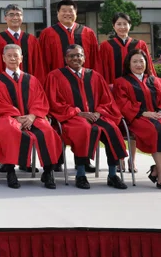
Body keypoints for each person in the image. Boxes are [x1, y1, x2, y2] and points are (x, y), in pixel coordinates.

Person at [46, 45, 129, 190]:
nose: (76, 58)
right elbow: (54, 102)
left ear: (84, 58)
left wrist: (98, 112)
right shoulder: (55, 76)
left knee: (112, 129)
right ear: (66, 59)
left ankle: (112, 174)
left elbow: (107, 100)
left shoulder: (95, 76)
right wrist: (77, 112)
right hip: (71, 118)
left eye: (79, 55)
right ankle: (81, 174)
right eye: (71, 56)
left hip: (96, 115)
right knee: (83, 129)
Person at [0, 44, 61, 190]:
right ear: (3, 58)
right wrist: (16, 116)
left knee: (47, 131)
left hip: (33, 117)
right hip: (9, 117)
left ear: (21, 58)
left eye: (16, 55)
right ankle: (10, 171)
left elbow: (40, 100)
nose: (13, 58)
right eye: (9, 56)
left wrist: (32, 116)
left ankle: (48, 171)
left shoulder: (32, 80)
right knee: (9, 130)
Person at [113, 49, 161, 189]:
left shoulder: (157, 81)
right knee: (156, 131)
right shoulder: (121, 82)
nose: (138, 64)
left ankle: (157, 169)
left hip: (158, 117)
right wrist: (143, 113)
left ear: (146, 63)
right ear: (128, 64)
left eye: (141, 61)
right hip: (136, 119)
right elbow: (122, 104)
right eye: (134, 61)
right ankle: (160, 172)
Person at [39, 0, 99, 75]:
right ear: (58, 13)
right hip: (58, 81)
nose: (67, 13)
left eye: (70, 11)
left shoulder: (88, 33)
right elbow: (42, 62)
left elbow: (95, 60)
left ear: (76, 13)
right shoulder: (47, 34)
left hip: (85, 81)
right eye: (64, 11)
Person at [97, 11, 155, 82]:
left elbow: (148, 67)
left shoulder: (140, 44)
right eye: (119, 24)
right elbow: (101, 69)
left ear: (130, 26)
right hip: (114, 87)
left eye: (125, 24)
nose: (122, 27)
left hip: (137, 86)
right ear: (113, 26)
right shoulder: (105, 46)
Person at [0, 4, 44, 78]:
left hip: (28, 83)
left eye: (18, 15)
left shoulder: (32, 40)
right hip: (5, 83)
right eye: (11, 15)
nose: (15, 17)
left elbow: (38, 65)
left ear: (22, 17)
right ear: (5, 18)